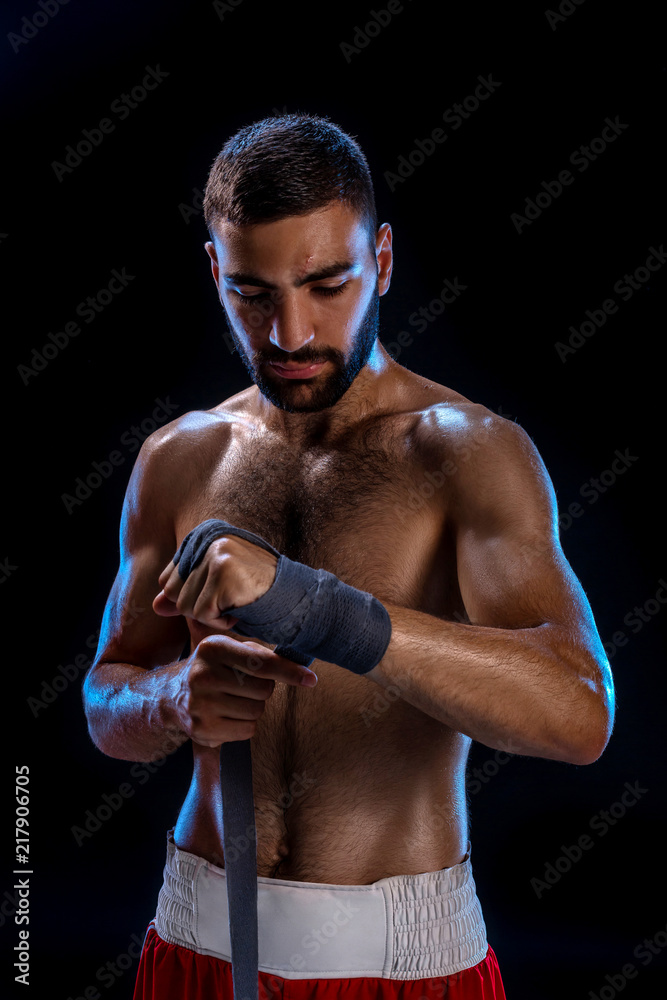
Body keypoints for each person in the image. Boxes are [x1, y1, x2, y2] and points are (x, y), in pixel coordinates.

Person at [82, 113, 614, 999]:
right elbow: (107, 696)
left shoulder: (465, 452)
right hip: (195, 943)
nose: (290, 334)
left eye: (327, 284)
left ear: (383, 260)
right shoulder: (178, 457)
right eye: (252, 293)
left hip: (399, 964)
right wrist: (172, 697)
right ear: (215, 272)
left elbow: (579, 712)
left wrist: (318, 609)